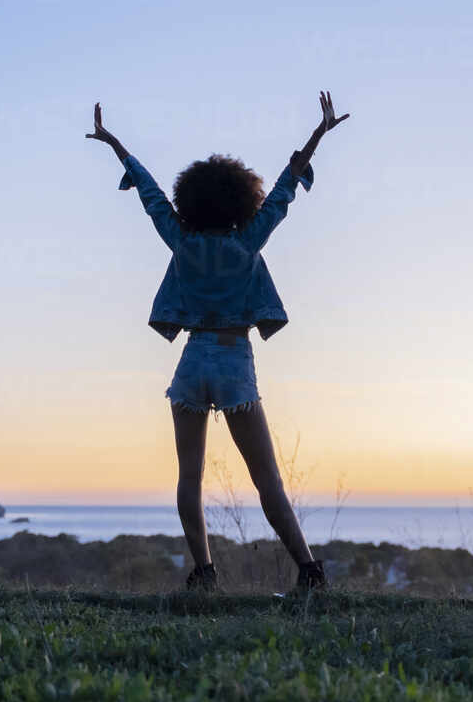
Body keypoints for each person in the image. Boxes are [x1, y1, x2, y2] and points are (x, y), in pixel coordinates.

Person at [86, 92, 350, 593]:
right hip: (233, 362)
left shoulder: (181, 242)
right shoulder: (248, 241)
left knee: (190, 478)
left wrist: (114, 145)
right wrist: (318, 134)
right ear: (238, 198)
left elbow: (150, 195)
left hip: (191, 363)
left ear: (194, 199)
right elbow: (285, 189)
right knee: (266, 479)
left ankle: (204, 573)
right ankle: (309, 571)